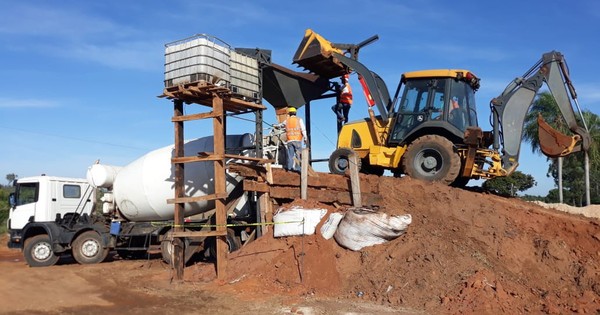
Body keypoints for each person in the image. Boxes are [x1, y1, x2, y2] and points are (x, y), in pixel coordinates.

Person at [276, 107, 307, 172]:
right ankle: (298, 169)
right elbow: (303, 129)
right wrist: (305, 138)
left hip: (290, 140)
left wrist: (276, 126)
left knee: (290, 156)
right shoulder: (299, 120)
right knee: (299, 155)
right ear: (295, 113)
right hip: (297, 140)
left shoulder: (287, 120)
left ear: (289, 113)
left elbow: (281, 125)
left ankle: (289, 169)